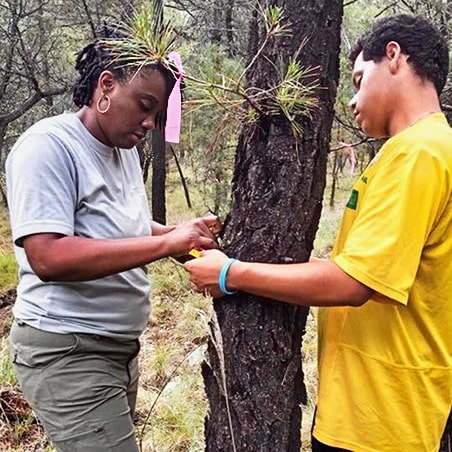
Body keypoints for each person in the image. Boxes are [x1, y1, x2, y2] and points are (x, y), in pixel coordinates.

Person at [184, 14, 451, 452]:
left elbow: (355, 282)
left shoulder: (418, 153)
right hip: (372, 408)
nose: (351, 100)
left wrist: (231, 273)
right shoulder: (416, 150)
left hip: (379, 420)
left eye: (359, 79)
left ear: (394, 57)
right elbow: (361, 267)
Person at [6, 25, 220, 452]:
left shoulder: (122, 152)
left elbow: (131, 227)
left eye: (157, 116)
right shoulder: (49, 146)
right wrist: (167, 244)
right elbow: (48, 256)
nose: (149, 123)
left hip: (119, 347)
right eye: (144, 106)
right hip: (68, 350)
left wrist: (187, 240)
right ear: (106, 84)